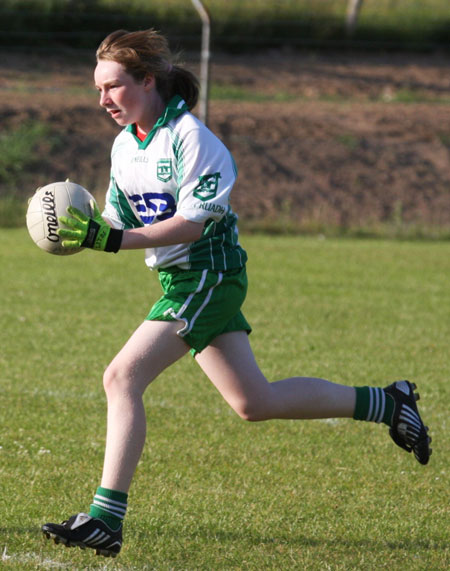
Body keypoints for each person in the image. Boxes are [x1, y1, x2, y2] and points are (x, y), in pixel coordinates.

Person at [41, 29, 431, 559]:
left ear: (147, 81)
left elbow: (192, 226)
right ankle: (388, 403)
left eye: (112, 87)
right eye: (98, 90)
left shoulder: (192, 139)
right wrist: (81, 226)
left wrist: (110, 240)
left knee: (121, 376)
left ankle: (107, 519)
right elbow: (120, 219)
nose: (102, 100)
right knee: (253, 401)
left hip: (210, 273)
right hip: (182, 280)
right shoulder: (125, 144)